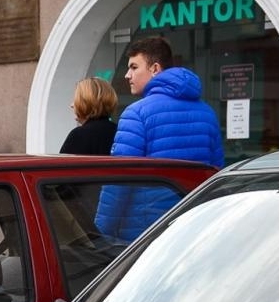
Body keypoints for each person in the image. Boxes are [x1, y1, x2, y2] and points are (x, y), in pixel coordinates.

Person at [95, 36, 225, 242]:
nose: (128, 75)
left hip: (147, 233)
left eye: (134, 67)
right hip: (193, 227)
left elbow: (119, 179)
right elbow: (216, 175)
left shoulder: (136, 113)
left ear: (155, 68)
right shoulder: (207, 113)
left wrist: (101, 232)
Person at [59, 77, 118, 155]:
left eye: (76, 100)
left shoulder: (79, 135)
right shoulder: (119, 132)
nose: (72, 105)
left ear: (86, 102)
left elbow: (64, 165)